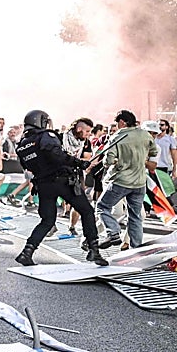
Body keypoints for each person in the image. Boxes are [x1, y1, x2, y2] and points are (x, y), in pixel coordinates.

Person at [13, 111, 106, 267]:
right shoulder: (46, 136)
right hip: (62, 181)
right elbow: (56, 155)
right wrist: (79, 163)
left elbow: (27, 167)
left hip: (42, 185)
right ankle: (94, 250)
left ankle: (26, 252)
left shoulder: (22, 145)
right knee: (87, 211)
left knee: (47, 220)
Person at [95, 109, 158, 250]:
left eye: (117, 123)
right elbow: (153, 151)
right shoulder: (144, 134)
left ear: (122, 122)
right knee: (135, 216)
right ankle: (136, 248)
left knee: (102, 207)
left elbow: (108, 160)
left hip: (120, 181)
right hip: (140, 182)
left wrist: (117, 160)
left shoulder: (117, 136)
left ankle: (113, 231)